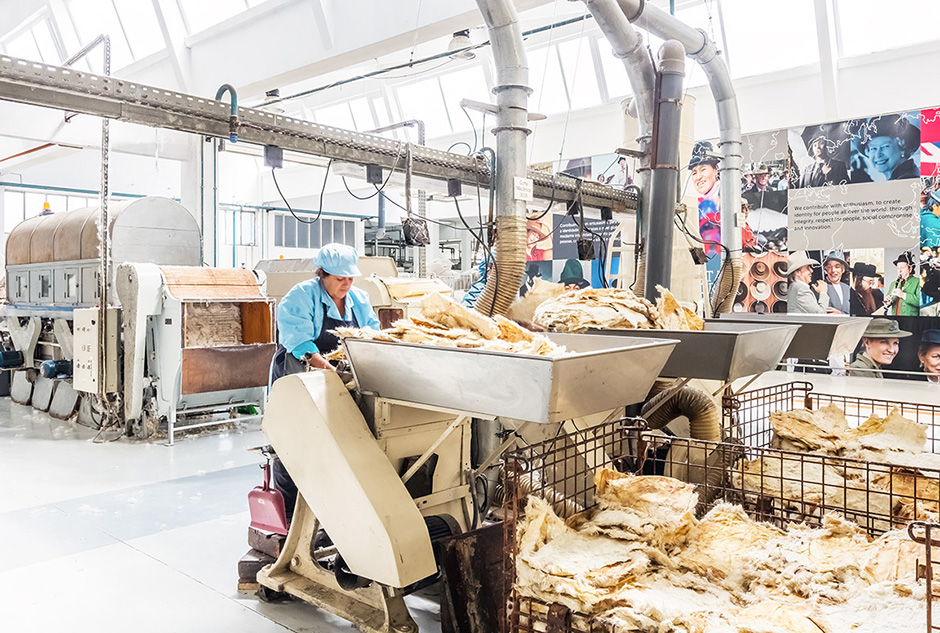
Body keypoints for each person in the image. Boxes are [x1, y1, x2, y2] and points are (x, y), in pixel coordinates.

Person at [271, 243, 380, 519]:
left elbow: (371, 334)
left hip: (337, 379)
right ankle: (287, 520)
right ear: (323, 275)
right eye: (339, 278)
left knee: (334, 445)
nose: (346, 284)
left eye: (350, 278)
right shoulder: (302, 296)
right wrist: (329, 369)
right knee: (292, 443)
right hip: (300, 373)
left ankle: (328, 516)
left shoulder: (359, 299)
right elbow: (299, 342)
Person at [859, 116, 919, 181]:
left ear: (903, 148)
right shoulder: (899, 177)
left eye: (885, 146)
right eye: (873, 148)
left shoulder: (907, 179)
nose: (878, 155)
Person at [885, 251, 920, 316]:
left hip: (911, 321)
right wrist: (888, 302)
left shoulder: (918, 282)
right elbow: (888, 301)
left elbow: (920, 302)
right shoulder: (893, 283)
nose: (899, 271)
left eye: (902, 267)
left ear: (910, 268)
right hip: (895, 319)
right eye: (898, 268)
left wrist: (903, 295)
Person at [823, 250, 850, 314]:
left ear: (842, 269)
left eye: (837, 266)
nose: (833, 270)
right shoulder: (821, 286)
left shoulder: (847, 288)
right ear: (826, 269)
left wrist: (841, 314)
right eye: (829, 267)